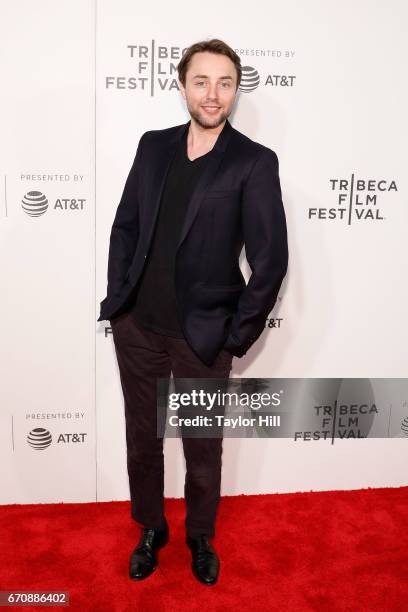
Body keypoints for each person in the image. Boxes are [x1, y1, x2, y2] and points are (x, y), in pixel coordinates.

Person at [97, 38, 288, 585]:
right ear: (181, 85)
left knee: (202, 448)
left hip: (203, 336)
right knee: (142, 438)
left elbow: (270, 261)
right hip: (138, 329)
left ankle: (200, 535)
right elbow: (125, 227)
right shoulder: (152, 146)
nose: (212, 94)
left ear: (235, 90)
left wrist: (235, 337)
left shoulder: (253, 161)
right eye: (201, 81)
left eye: (224, 83)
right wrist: (120, 304)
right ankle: (150, 528)